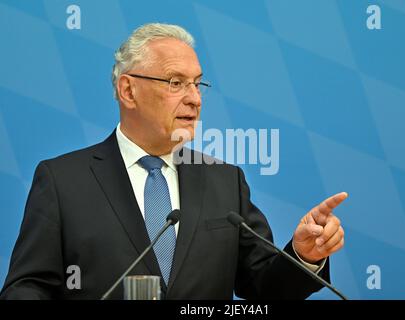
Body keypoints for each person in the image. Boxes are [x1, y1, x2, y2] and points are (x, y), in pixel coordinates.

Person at [0, 23, 346, 300]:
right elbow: (27, 287)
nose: (195, 99)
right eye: (176, 83)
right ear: (128, 90)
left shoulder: (225, 182)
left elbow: (265, 290)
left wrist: (303, 256)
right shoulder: (63, 180)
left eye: (198, 84)